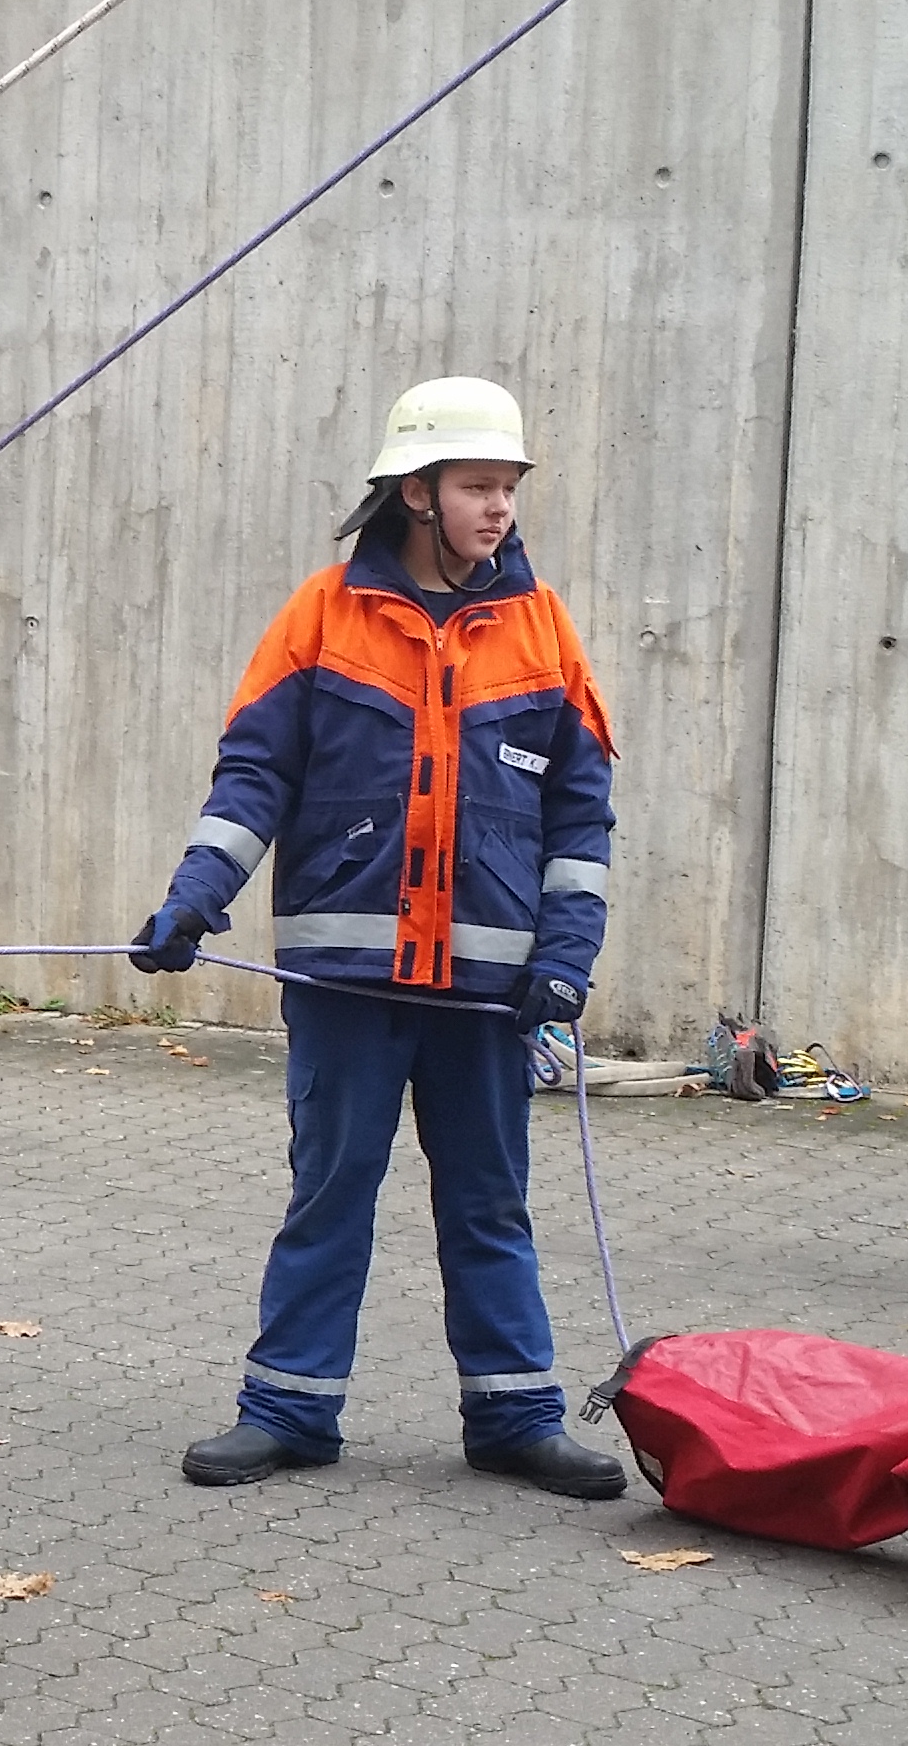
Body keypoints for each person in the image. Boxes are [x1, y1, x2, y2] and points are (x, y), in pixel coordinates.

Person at [131, 378, 625, 1501]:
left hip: (487, 990)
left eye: (506, 488)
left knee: (488, 1199)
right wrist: (193, 895)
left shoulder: (542, 631)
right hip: (348, 979)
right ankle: (289, 1411)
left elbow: (580, 812)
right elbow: (253, 772)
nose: (499, 508)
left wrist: (564, 953)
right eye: (477, 487)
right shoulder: (320, 616)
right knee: (330, 1190)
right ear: (415, 493)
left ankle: (513, 1417)